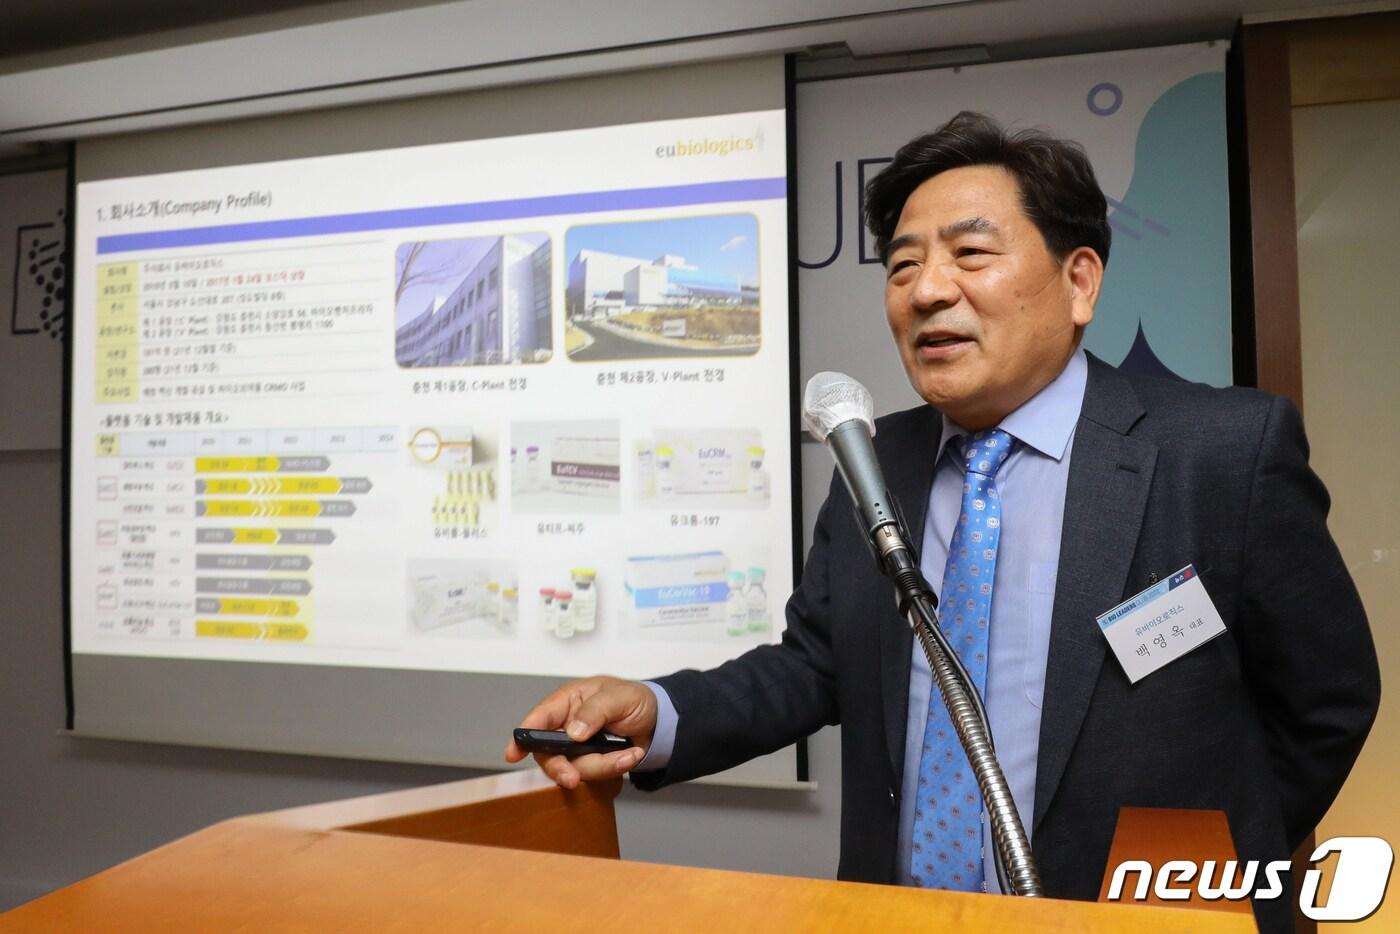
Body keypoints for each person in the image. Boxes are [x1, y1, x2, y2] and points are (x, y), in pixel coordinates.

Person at [506, 112, 1379, 932]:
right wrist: (659, 712)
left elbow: (1326, 703)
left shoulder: (1218, 453)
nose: (927, 291)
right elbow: (813, 666)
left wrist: (1206, 866)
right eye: (902, 267)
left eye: (970, 254)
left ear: (1079, 281)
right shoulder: (874, 461)